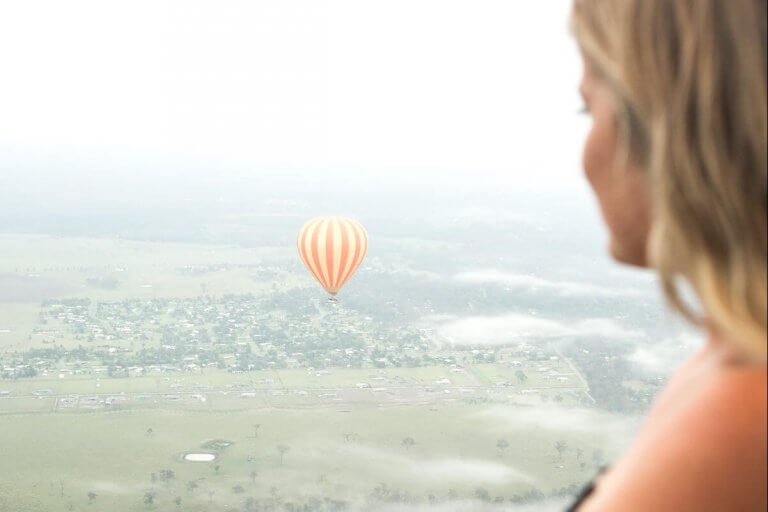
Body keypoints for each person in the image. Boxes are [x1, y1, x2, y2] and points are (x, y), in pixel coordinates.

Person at [567, 0, 767, 510]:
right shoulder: (731, 354)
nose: (583, 160)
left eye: (589, 108)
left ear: (663, 126)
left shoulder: (741, 415)